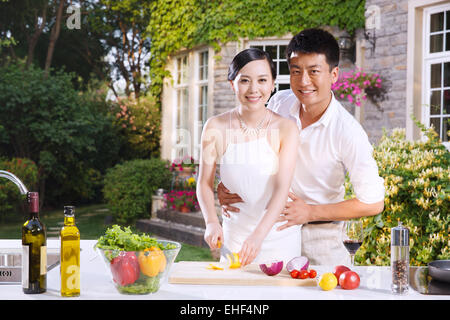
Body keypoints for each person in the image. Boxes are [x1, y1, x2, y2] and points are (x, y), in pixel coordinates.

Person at [217, 28, 385, 265]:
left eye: (314, 71)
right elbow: (249, 148)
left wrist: (310, 212)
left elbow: (374, 202)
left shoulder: (348, 132)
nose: (304, 81)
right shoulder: (278, 103)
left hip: (321, 239)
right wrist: (228, 183)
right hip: (273, 231)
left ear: (334, 74)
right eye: (296, 71)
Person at [196, 48, 301, 266]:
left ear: (272, 84)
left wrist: (258, 236)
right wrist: (211, 222)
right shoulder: (215, 126)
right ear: (232, 84)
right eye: (244, 80)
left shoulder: (286, 128)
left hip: (278, 235)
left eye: (262, 80)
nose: (254, 89)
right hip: (235, 235)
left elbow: (282, 189)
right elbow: (204, 183)